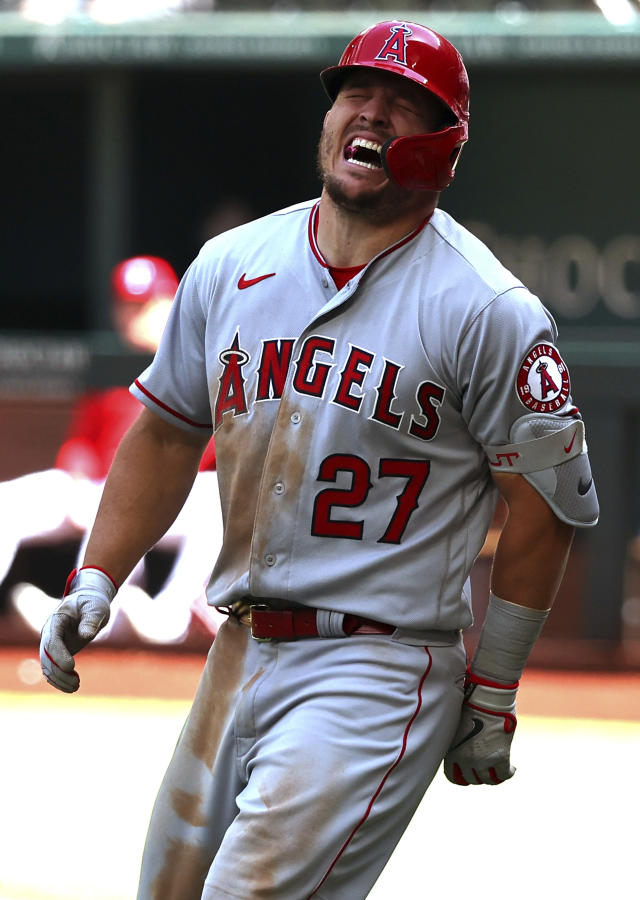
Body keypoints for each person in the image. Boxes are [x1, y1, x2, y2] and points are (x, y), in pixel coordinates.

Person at [40, 20, 599, 899]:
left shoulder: (491, 308)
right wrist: (97, 575)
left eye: (403, 104)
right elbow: (166, 426)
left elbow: (542, 507)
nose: (370, 114)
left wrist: (492, 690)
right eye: (356, 93)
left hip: (376, 666)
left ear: (444, 149)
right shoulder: (233, 264)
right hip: (239, 645)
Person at [3, 256, 220, 644]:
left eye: (144, 305)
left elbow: (204, 457)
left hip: (171, 501)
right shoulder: (110, 369)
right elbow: (81, 449)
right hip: (99, 492)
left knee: (210, 499)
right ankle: (78, 615)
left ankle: (167, 616)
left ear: (171, 302)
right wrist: (79, 475)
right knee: (11, 500)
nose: (131, 316)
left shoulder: (199, 364)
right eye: (124, 305)